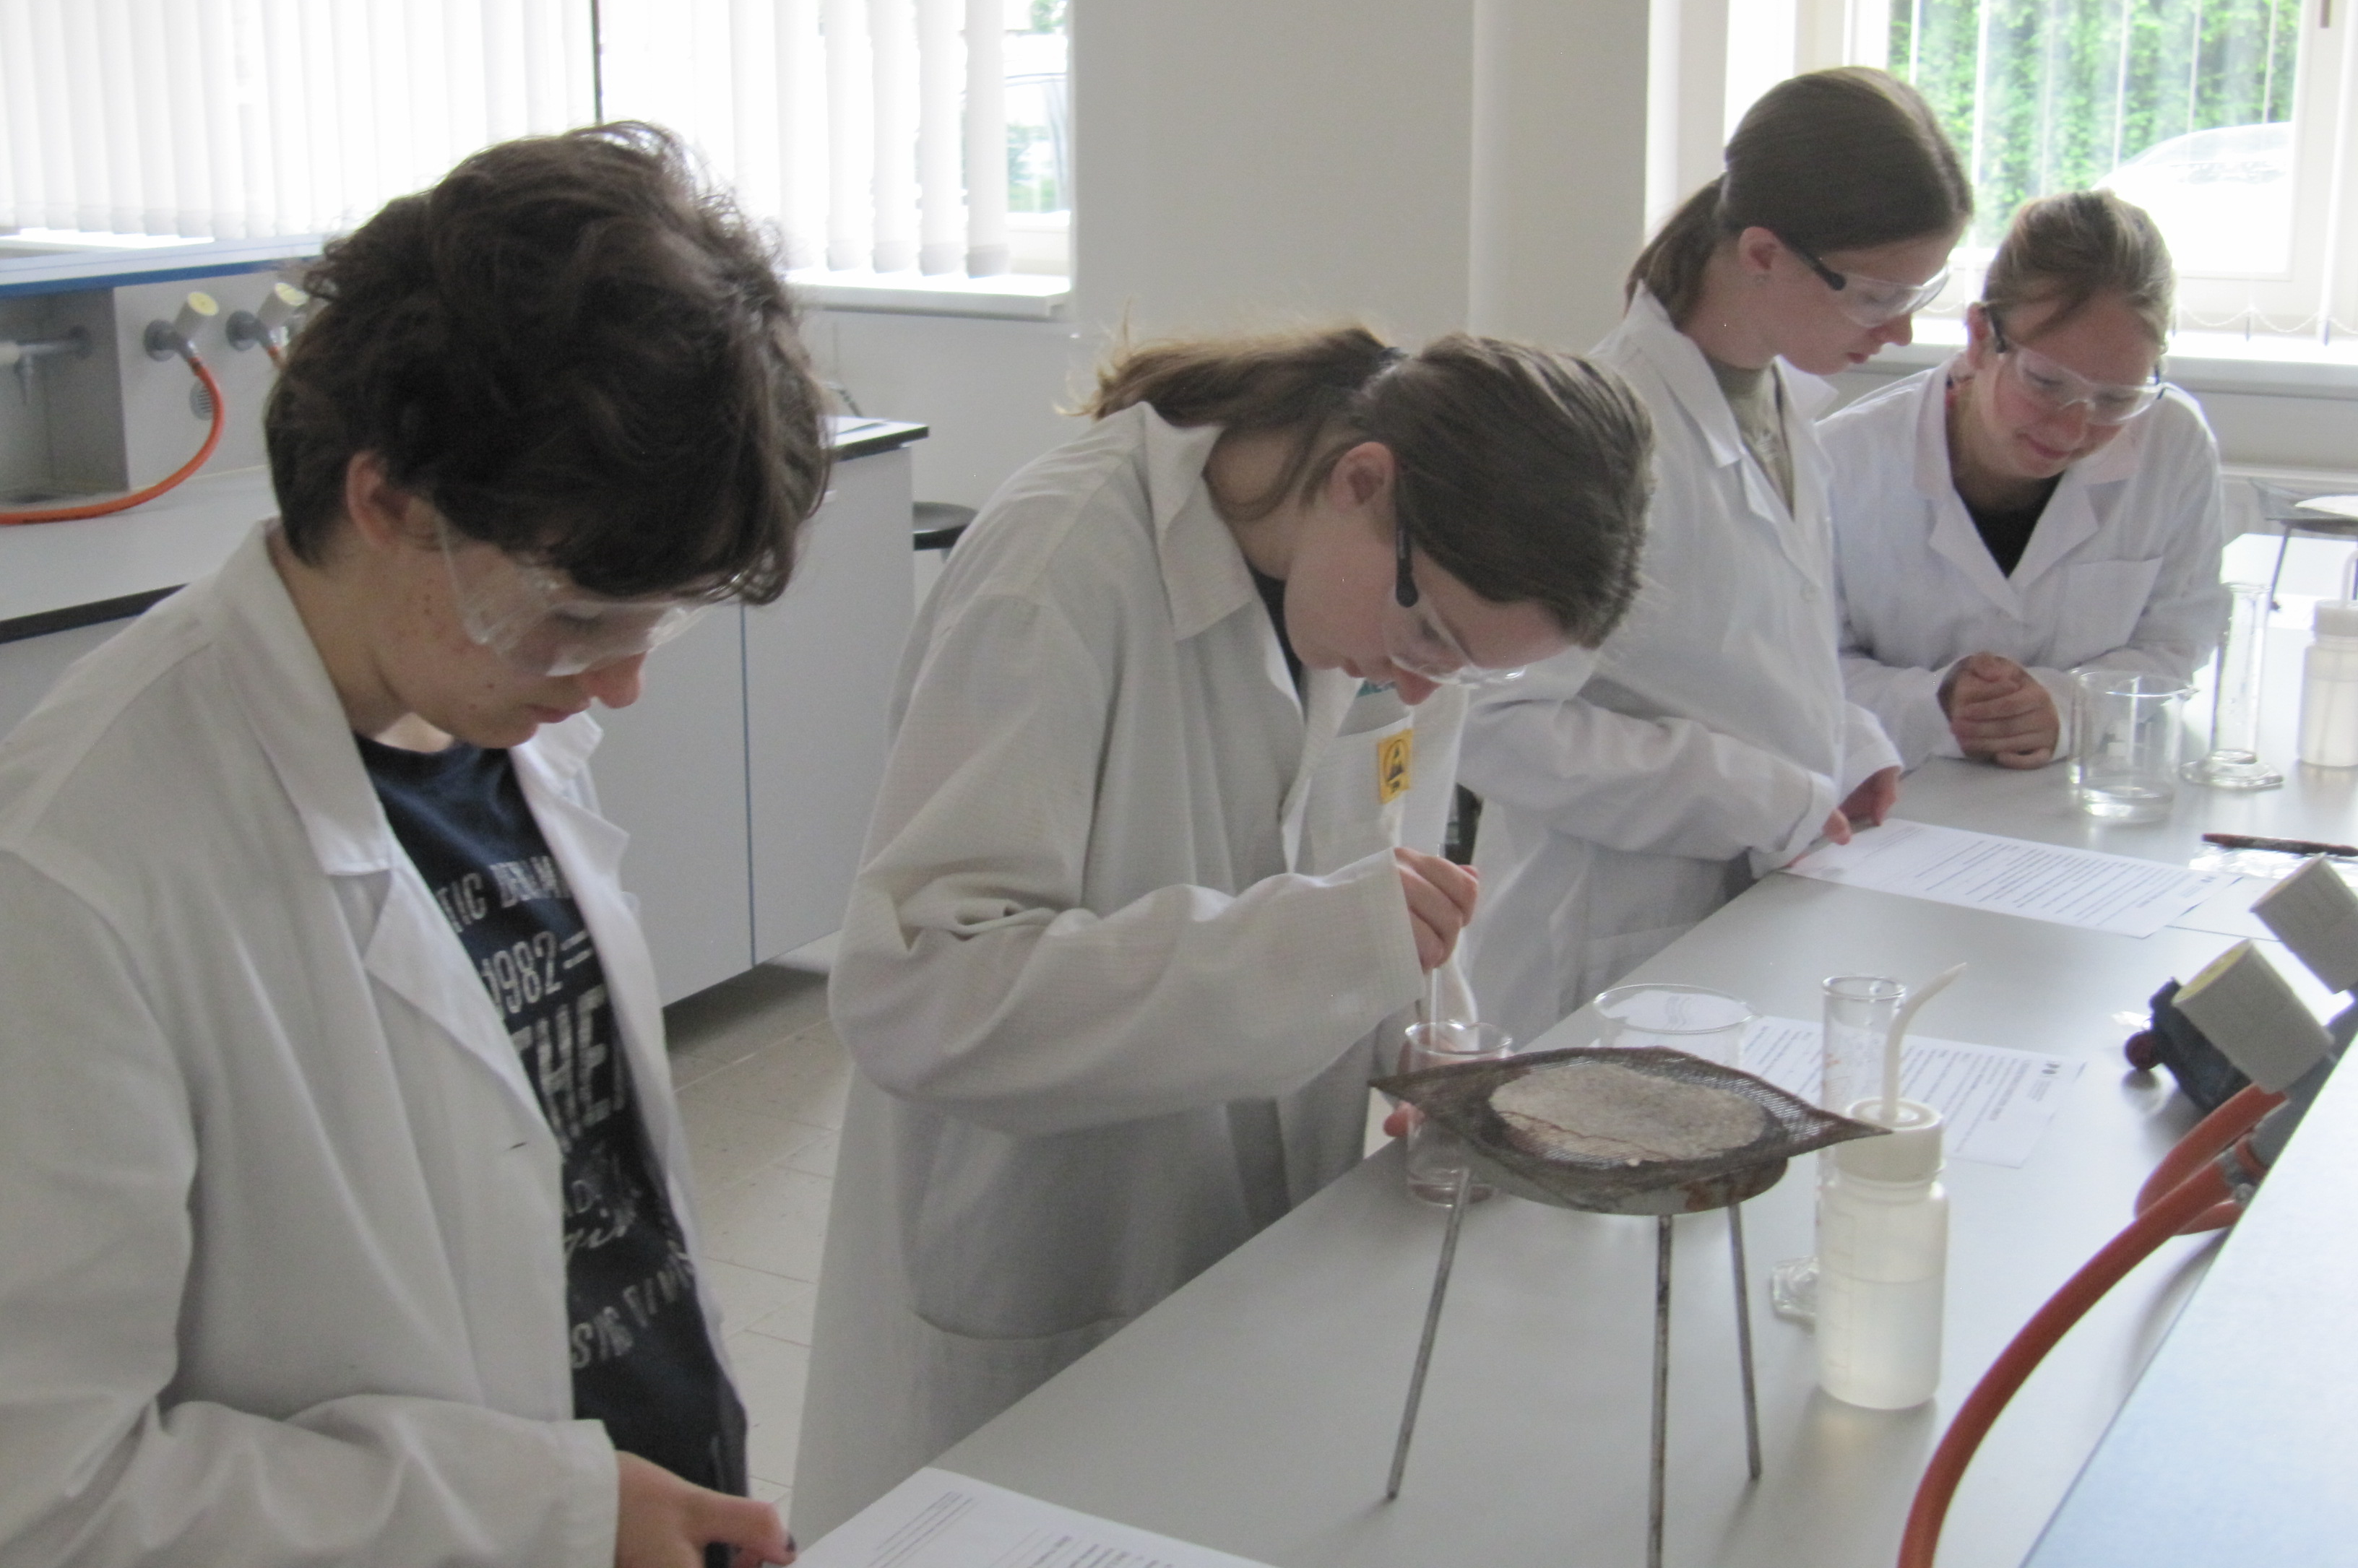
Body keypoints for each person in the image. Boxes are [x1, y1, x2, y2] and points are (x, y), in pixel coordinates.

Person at [0, 124, 829, 1568]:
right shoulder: (76, 868)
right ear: (384, 497)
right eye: (577, 615)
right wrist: (543, 1517)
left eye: (658, 622)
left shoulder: (493, 715)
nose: (620, 682)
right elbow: (49, 1496)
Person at [790, 329, 1653, 1538]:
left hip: (1247, 1253)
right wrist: (1318, 952)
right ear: (1361, 479)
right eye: (1432, 640)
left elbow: (1368, 893)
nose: (1422, 686)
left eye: (1466, 671)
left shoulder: (1375, 594)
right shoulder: (1061, 564)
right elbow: (921, 989)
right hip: (1042, 1254)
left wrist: (1424, 1056)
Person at [1459, 66, 1969, 1041]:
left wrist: (1843, 744)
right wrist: (1743, 792)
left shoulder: (1776, 400)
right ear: (1764, 253)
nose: (1902, 330)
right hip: (1604, 938)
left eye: (1920, 293)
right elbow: (1495, 720)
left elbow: (1743, 657)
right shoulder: (1610, 434)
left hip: (1747, 910)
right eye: (1877, 295)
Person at [1821, 189, 2228, 770]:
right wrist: (1936, 703)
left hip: (2083, 791)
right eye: (2045, 382)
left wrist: (2070, 707)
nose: (2072, 429)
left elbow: (2177, 640)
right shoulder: (1840, 462)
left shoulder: (2171, 442)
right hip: (1900, 792)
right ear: (1980, 337)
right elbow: (1810, 667)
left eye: (2116, 399)